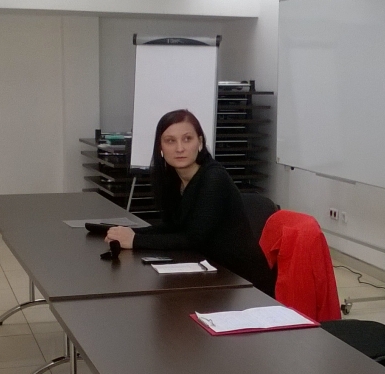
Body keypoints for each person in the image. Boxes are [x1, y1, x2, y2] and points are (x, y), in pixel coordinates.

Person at [105, 109, 276, 297]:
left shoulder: (214, 177)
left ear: (200, 142)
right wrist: (129, 233)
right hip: (210, 274)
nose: (180, 148)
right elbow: (173, 227)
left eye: (187, 139)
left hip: (243, 285)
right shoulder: (172, 179)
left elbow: (193, 238)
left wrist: (135, 240)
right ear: (160, 147)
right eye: (170, 141)